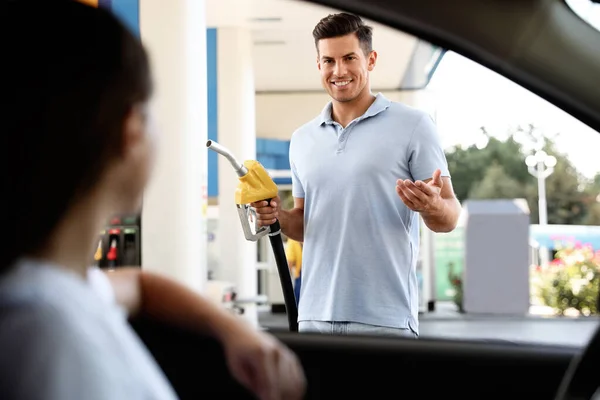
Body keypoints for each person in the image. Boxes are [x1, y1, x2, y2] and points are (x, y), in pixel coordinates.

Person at [0, 1, 305, 399]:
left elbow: (139, 286)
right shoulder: (51, 337)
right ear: (130, 130)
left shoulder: (53, 286)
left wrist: (234, 329)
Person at [251, 13, 462, 338]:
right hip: (313, 317)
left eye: (349, 58)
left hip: (386, 319)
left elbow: (449, 217)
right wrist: (276, 214)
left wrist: (432, 206)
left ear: (371, 59)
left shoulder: (413, 125)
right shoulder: (302, 139)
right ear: (318, 65)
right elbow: (304, 225)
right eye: (328, 61)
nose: (339, 71)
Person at [285, 238, 303, 304]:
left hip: (301, 274)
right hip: (302, 273)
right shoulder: (292, 241)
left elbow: (290, 261)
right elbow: (290, 261)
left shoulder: (292, 240)